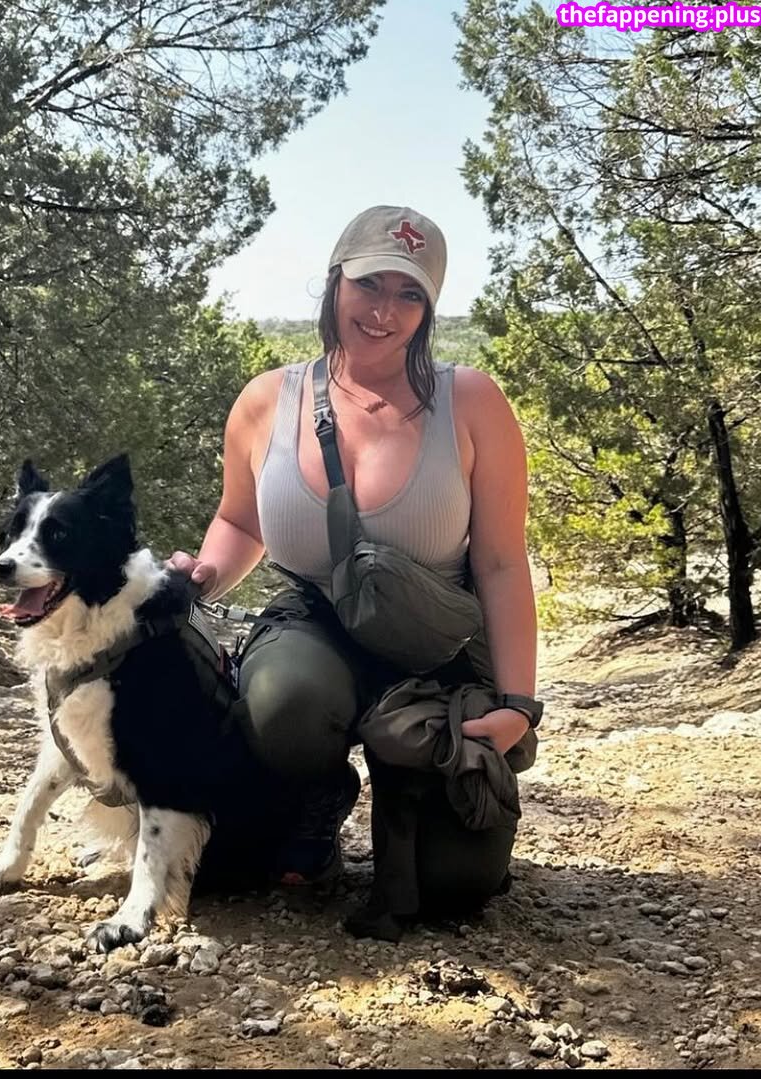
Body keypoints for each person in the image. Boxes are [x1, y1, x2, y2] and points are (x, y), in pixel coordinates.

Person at [169, 204, 539, 941]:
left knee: (455, 884)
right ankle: (315, 800)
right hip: (315, 622)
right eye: (369, 283)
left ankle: (408, 782)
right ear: (335, 280)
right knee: (283, 705)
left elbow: (500, 561)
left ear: (429, 309)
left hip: (435, 643)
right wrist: (203, 574)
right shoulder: (266, 401)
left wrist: (518, 704)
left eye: (410, 294)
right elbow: (240, 521)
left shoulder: (472, 402)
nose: (384, 311)